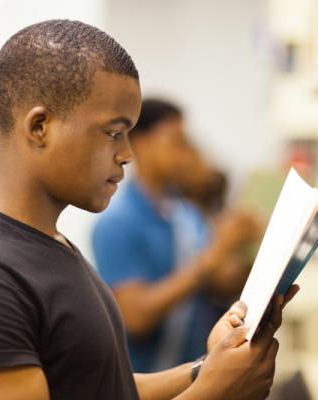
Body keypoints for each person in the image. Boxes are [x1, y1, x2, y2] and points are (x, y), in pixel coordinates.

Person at [0, 20, 298, 400]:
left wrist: (208, 366)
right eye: (114, 133)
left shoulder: (52, 245)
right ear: (40, 127)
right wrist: (213, 393)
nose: (127, 155)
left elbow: (104, 386)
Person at [93, 99, 261, 372]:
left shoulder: (186, 213)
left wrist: (251, 248)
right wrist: (212, 257)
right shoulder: (114, 225)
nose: (185, 155)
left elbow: (219, 284)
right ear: (141, 145)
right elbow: (136, 317)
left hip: (197, 377)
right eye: (176, 142)